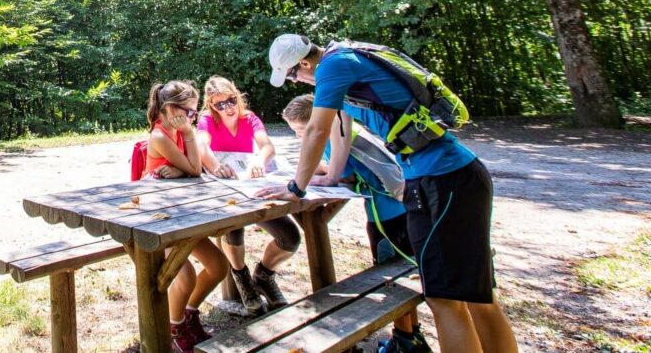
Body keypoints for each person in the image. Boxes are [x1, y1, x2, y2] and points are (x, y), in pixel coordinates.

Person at [261, 34, 519, 353]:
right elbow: (338, 135)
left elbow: (316, 129)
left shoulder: (332, 66)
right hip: (451, 177)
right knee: (476, 296)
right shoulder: (346, 58)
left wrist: (295, 188)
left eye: (292, 75)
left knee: (445, 299)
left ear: (303, 63)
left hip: (440, 181)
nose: (296, 82)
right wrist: (330, 176)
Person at [282, 94, 432, 353]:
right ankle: (412, 335)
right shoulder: (347, 129)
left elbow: (344, 175)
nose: (299, 138)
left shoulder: (329, 138)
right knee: (405, 273)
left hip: (385, 216)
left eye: (300, 131)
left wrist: (314, 173)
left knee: (393, 281)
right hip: (404, 208)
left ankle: (405, 340)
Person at [195, 76, 300, 314]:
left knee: (290, 237)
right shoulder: (207, 120)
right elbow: (201, 146)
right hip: (226, 191)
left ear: (237, 96)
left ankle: (264, 275)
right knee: (234, 227)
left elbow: (267, 146)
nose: (227, 108)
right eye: (219, 104)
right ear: (211, 105)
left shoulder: (249, 117)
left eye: (230, 101)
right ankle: (241, 276)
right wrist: (214, 165)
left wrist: (259, 160)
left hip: (252, 186)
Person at [143, 81, 229, 352]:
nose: (192, 118)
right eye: (189, 112)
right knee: (186, 275)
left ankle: (189, 314)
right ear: (170, 109)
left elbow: (195, 170)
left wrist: (183, 170)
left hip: (183, 216)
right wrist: (190, 137)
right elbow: (195, 169)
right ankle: (175, 324)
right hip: (159, 220)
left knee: (218, 266)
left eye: (193, 113)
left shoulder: (177, 131)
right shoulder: (160, 136)